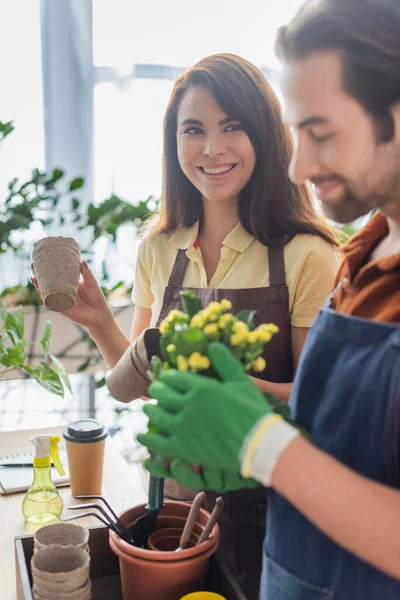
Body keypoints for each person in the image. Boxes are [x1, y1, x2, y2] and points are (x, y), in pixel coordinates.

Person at [33, 54, 339, 597]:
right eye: (193, 129)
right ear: (174, 145)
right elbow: (143, 382)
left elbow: (316, 401)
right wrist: (101, 320)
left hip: (273, 504)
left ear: (266, 137)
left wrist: (229, 393)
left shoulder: (306, 255)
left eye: (232, 126)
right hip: (177, 497)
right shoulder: (159, 247)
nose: (211, 147)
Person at [137, 1, 400, 598]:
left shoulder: (312, 253)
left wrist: (261, 441)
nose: (299, 164)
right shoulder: (364, 253)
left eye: (322, 132)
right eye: (296, 133)